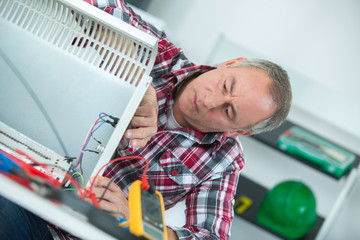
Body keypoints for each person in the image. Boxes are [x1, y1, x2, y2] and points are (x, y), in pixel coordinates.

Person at [0, 1, 291, 240]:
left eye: (228, 112)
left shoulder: (223, 160)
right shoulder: (162, 57)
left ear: (239, 131)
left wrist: (136, 219)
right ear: (230, 63)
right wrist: (138, 78)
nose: (209, 100)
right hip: (24, 174)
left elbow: (210, 237)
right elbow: (98, 5)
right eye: (226, 85)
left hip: (63, 231)